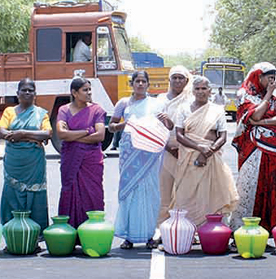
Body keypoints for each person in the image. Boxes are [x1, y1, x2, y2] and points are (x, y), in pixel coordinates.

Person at [169, 76, 238, 227]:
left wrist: (208, 151)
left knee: (213, 195)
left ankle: (211, 230)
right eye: (197, 89)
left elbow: (223, 136)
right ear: (192, 91)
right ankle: (186, 230)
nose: (200, 92)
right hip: (188, 158)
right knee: (185, 196)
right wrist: (200, 148)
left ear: (210, 91)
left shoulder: (217, 110)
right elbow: (179, 135)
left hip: (212, 158)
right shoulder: (184, 109)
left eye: (204, 88)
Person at [109, 70, 165, 249]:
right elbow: (111, 127)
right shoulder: (123, 103)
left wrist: (168, 121)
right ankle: (129, 236)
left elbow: (167, 127)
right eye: (137, 81)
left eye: (143, 81)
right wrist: (126, 124)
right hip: (129, 151)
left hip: (149, 153)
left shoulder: (156, 104)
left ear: (148, 84)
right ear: (131, 84)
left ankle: (149, 235)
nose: (140, 84)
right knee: (129, 191)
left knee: (149, 192)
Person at [230, 62, 276, 232]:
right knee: (249, 187)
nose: (272, 82)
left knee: (270, 187)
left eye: (274, 79)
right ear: (258, 77)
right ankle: (240, 229)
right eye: (269, 78)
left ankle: (265, 229)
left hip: (272, 150)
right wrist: (267, 96)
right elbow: (254, 113)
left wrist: (261, 123)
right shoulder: (245, 96)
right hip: (252, 150)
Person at [0, 78, 52, 231]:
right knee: (11, 195)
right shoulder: (9, 111)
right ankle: (12, 233)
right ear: (17, 93)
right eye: (24, 90)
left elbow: (47, 133)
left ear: (35, 94)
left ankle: (35, 236)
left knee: (36, 197)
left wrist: (22, 134)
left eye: (31, 90)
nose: (27, 93)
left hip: (34, 163)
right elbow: (1, 131)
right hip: (14, 162)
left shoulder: (41, 114)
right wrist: (32, 137)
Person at [56, 78, 107, 229]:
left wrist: (73, 136)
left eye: (90, 89)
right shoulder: (64, 110)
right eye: (85, 90)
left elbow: (100, 136)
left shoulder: (96, 110)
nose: (89, 93)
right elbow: (61, 134)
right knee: (69, 192)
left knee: (93, 194)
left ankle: (93, 232)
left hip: (91, 160)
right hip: (71, 159)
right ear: (74, 93)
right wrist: (86, 131)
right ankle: (70, 233)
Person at [156, 66, 193, 227]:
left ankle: (187, 227)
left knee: (187, 192)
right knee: (164, 191)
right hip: (164, 150)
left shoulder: (192, 100)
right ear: (169, 80)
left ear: (186, 81)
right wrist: (168, 147)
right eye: (174, 78)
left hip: (187, 151)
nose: (178, 81)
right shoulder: (160, 99)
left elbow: (194, 127)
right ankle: (162, 228)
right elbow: (154, 127)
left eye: (181, 78)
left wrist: (184, 148)